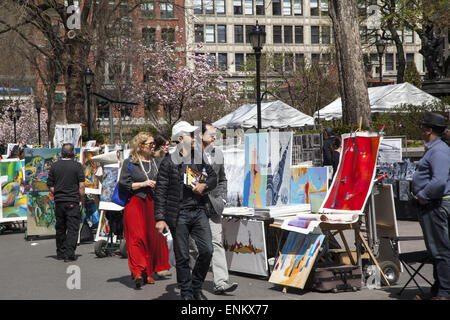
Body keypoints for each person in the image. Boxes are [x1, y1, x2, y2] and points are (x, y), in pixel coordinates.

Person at [154, 121, 217, 300]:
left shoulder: (199, 156)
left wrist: (204, 185)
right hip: (178, 214)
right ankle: (187, 294)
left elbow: (213, 177)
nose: (195, 137)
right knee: (182, 257)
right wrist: (160, 218)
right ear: (180, 139)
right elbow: (160, 192)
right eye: (191, 134)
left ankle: (196, 285)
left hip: (198, 211)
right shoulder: (168, 162)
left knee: (207, 250)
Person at [190, 122, 238, 295]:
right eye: (211, 133)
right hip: (194, 206)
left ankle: (221, 283)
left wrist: (223, 199)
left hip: (214, 206)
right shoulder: (189, 154)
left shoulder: (217, 153)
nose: (215, 136)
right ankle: (193, 280)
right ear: (200, 135)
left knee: (217, 243)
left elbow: (222, 178)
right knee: (197, 247)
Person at [118, 132, 172, 289]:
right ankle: (137, 271)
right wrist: (144, 184)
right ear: (140, 146)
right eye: (150, 144)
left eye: (153, 144)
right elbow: (124, 184)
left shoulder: (157, 161)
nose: (153, 146)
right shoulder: (130, 163)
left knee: (151, 238)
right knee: (137, 237)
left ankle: (147, 272)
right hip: (135, 203)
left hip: (153, 204)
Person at [412, 112, 450, 301]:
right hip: (433, 203)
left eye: (422, 128)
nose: (420, 131)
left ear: (428, 131)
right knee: (436, 250)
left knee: (440, 249)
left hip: (435, 204)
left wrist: (423, 195)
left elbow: (439, 181)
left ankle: (444, 292)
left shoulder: (439, 150)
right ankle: (438, 290)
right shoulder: (435, 149)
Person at [46, 143, 85, 262]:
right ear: (73, 152)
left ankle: (61, 252)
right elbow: (82, 186)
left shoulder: (54, 166)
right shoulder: (77, 166)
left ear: (62, 153)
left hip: (59, 201)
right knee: (73, 227)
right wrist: (81, 199)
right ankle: (69, 253)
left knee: (60, 227)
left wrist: (57, 193)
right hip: (72, 199)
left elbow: (50, 185)